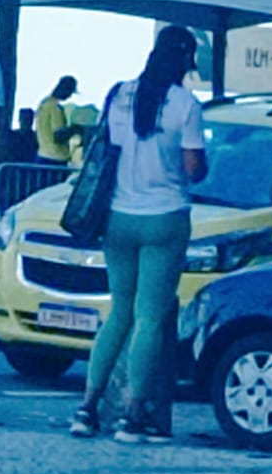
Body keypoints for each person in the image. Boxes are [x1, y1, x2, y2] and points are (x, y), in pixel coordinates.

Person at [68, 25, 207, 445]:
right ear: (185, 60)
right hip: (165, 217)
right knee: (149, 317)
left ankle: (87, 407)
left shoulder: (119, 95)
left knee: (119, 312)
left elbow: (107, 150)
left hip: (117, 218)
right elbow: (193, 170)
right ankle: (133, 414)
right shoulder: (185, 105)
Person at [34, 76, 76, 165]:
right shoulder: (55, 108)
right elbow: (58, 136)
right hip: (55, 158)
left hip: (42, 155)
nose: (70, 95)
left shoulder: (43, 104)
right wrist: (74, 129)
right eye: (70, 92)